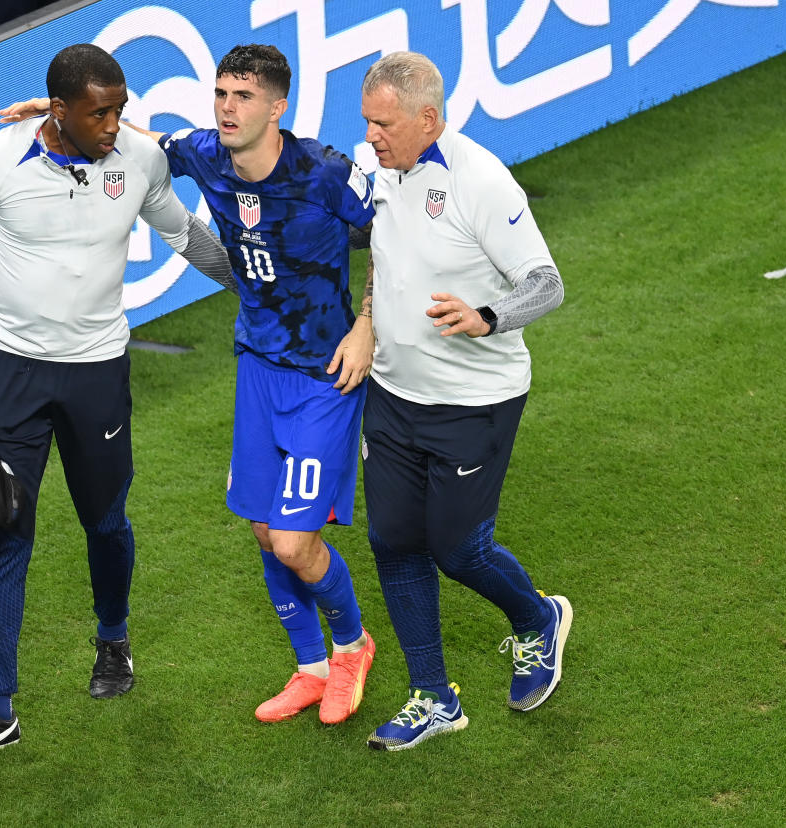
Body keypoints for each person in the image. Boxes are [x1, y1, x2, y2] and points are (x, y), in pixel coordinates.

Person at [0, 44, 379, 727]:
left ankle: (352, 645)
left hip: (325, 374)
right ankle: (310, 667)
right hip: (257, 365)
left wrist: (370, 326)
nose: (228, 109)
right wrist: (53, 123)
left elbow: (392, 237)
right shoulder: (204, 153)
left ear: (277, 106)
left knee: (295, 542)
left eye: (244, 97)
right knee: (265, 530)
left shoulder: (324, 173)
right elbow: (143, 145)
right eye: (222, 94)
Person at [0, 43, 236, 765]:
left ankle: (113, 641)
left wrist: (256, 289)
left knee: (105, 520)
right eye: (100, 112)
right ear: (59, 111)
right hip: (12, 377)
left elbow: (184, 235)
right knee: (3, 529)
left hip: (97, 375)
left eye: (120, 108)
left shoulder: (139, 160)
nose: (115, 124)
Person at [356, 51, 572, 752]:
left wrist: (485, 315)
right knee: (391, 538)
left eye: (384, 124)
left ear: (429, 118)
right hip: (391, 397)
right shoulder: (380, 176)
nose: (373, 137)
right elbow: (383, 263)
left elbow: (546, 283)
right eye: (366, 123)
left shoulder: (479, 179)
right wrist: (367, 319)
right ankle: (433, 696)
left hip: (474, 402)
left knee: (458, 548)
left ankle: (538, 620)